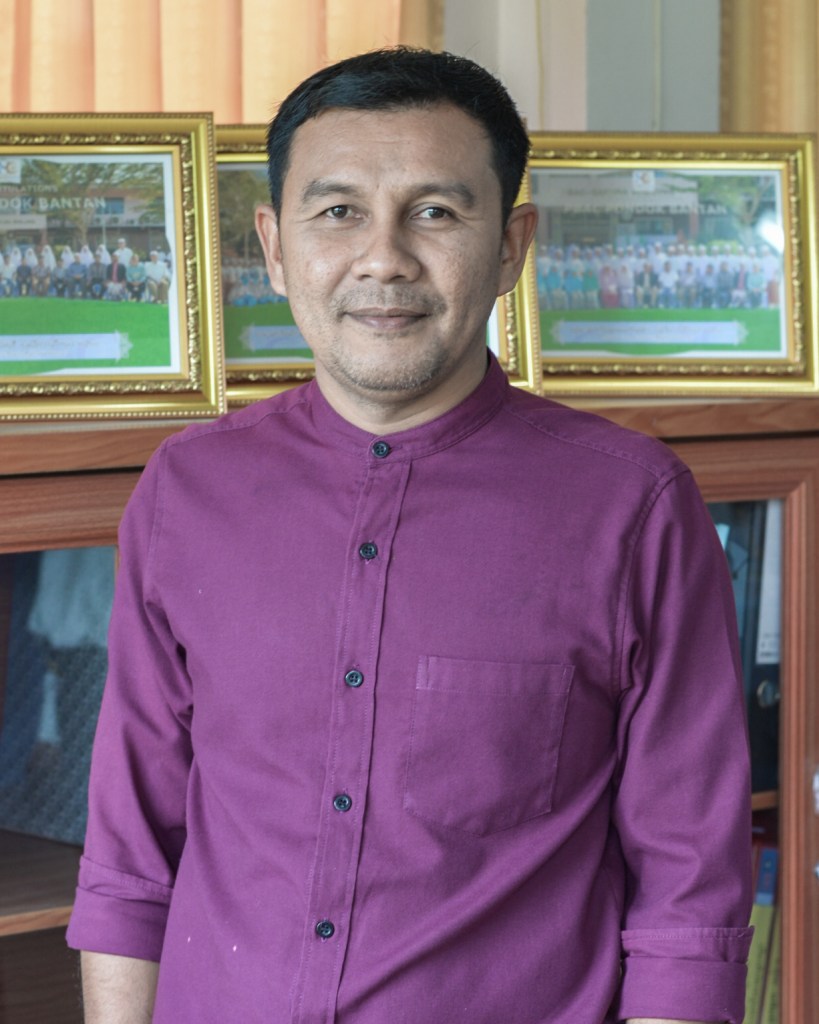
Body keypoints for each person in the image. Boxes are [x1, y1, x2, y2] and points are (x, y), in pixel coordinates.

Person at [67, 47, 753, 1024]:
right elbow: (130, 852)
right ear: (273, 245)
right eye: (337, 211)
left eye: (434, 211)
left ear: (511, 246)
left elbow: (689, 893)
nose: (383, 258)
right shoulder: (187, 489)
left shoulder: (632, 505)